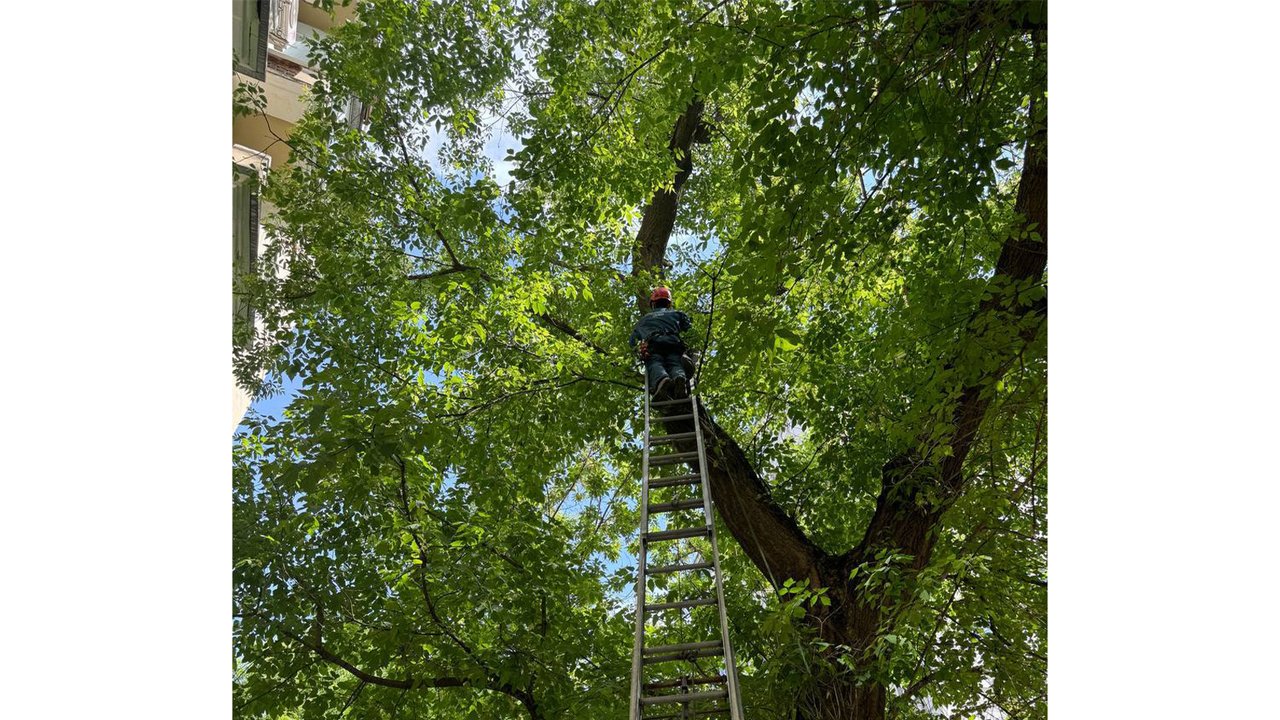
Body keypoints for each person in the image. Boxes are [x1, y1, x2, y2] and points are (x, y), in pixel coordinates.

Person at [629, 287, 693, 398]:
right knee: (675, 363)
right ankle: (679, 378)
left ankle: (662, 379)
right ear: (669, 303)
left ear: (653, 303)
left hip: (654, 344)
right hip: (673, 343)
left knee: (655, 363)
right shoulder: (678, 314)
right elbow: (690, 330)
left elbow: (632, 341)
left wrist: (637, 351)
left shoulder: (643, 320)